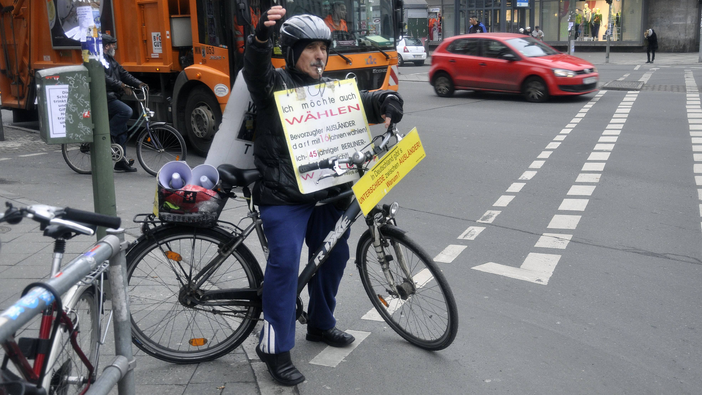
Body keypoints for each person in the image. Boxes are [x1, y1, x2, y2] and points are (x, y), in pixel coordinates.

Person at [243, 6, 403, 386]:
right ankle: (275, 348)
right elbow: (255, 68)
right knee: (284, 264)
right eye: (311, 48)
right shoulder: (272, 85)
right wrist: (262, 37)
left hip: (325, 192)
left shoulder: (329, 89)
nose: (320, 55)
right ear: (291, 50)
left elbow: (363, 101)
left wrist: (386, 102)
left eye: (323, 48)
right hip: (283, 194)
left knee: (334, 257)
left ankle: (320, 324)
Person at [102, 34, 146, 172]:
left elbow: (123, 73)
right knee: (126, 111)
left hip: (113, 96)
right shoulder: (98, 60)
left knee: (122, 130)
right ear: (106, 46)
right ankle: (107, 133)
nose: (114, 47)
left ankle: (121, 162)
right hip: (104, 97)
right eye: (112, 44)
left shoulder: (111, 59)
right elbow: (105, 78)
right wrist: (121, 85)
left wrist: (139, 84)